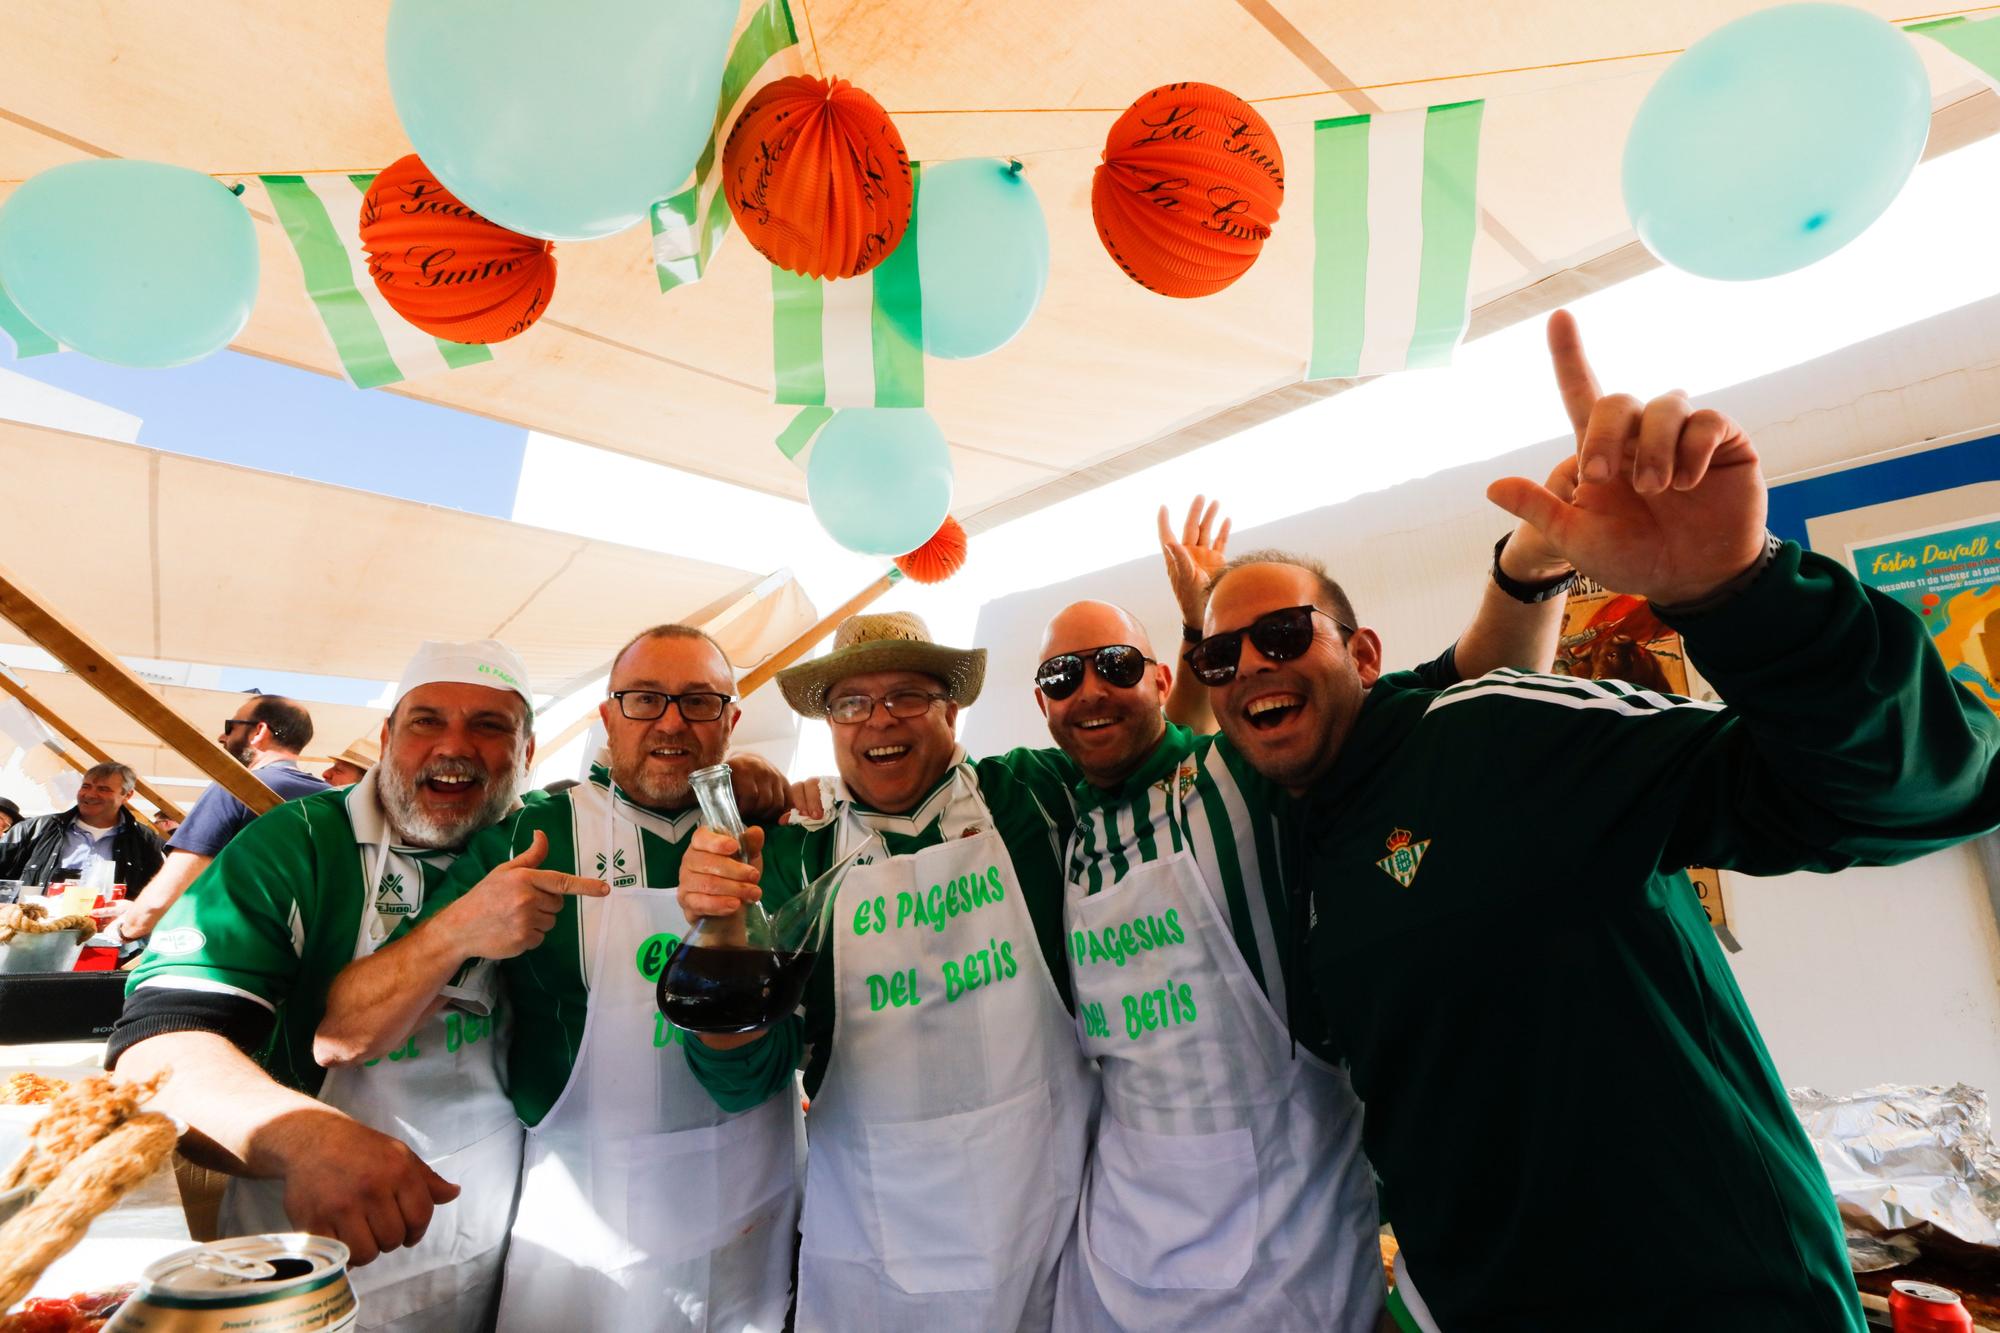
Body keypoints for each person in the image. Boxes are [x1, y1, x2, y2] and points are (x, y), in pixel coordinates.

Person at [1201, 312, 2000, 1331]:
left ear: (1360, 653)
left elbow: (1900, 791)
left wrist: (1735, 591)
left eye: (1276, 634)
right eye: (1217, 658)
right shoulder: (1275, 841)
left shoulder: (1497, 734)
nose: (1248, 668)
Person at [1036, 493, 1572, 1331]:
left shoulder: (1246, 774)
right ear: (1042, 706)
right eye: (1063, 678)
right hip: (1115, 1265)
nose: (1091, 692)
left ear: (1166, 675)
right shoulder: (1061, 821)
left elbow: (1458, 688)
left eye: (1115, 664)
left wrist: (1533, 565)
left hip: (1280, 1264)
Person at [313, 624, 797, 1332]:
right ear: (606, 718)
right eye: (642, 699)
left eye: (698, 702)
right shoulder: (531, 835)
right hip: (585, 1222)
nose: (670, 721)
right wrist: (462, 926)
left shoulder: (781, 837)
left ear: (731, 720)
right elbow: (344, 1030)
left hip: (755, 1197)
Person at [108, 640, 603, 1333]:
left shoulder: (547, 839)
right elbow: (160, 1044)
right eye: (427, 721)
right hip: (299, 1253)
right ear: (386, 737)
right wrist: (307, 1139)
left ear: (527, 752)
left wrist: (758, 788)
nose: (454, 748)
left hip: (487, 1242)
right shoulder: (299, 843)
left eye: (490, 726)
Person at [678, 611, 1093, 1332]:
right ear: (830, 722)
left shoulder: (1035, 796)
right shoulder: (790, 856)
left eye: (907, 695)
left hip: (1049, 1234)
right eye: (851, 703)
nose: (879, 721)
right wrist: (719, 929)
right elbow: (744, 1076)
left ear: (951, 710)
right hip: (877, 1253)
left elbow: (1153, 766)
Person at [116, 695, 329, 940]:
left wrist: (125, 928)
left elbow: (168, 891)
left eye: (231, 727)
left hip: (231, 953)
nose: (222, 737)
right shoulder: (329, 800)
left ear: (259, 732)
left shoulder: (236, 788)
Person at [0, 761, 162, 890]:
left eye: (103, 789)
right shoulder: (33, 829)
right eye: (86, 786)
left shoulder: (144, 840)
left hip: (105, 929)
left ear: (127, 795)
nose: (90, 794)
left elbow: (155, 891)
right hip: (37, 927)